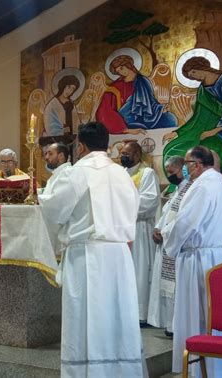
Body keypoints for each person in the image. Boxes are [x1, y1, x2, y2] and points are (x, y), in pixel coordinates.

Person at [39, 122, 146, 378]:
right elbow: (134, 208)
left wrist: (41, 196)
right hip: (119, 255)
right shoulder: (123, 174)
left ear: (81, 146)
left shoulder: (77, 172)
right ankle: (120, 370)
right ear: (108, 145)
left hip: (87, 255)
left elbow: (55, 210)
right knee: (117, 314)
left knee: (86, 318)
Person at [161, 146, 222, 376]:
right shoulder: (220, 183)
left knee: (199, 313)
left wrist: (168, 237)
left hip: (199, 258)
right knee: (217, 314)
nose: (185, 167)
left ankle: (201, 368)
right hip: (219, 255)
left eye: (187, 162)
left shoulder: (202, 186)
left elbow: (185, 223)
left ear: (198, 164)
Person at [163, 56, 222, 171]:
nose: (195, 77)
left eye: (194, 72)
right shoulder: (202, 91)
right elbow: (197, 118)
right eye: (191, 76)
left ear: (202, 67)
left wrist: (214, 131)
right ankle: (182, 183)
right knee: (173, 149)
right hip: (207, 129)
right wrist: (178, 132)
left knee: (206, 150)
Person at [147, 156, 192, 337]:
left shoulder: (190, 190)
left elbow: (182, 219)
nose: (170, 175)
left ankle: (175, 326)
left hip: (177, 247)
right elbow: (167, 214)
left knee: (176, 290)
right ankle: (170, 324)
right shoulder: (177, 190)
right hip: (166, 244)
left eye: (172, 172)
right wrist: (157, 228)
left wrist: (163, 233)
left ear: (183, 168)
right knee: (167, 288)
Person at [121, 141, 160, 325]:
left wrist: (121, 203)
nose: (123, 155)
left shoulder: (147, 173)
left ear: (137, 154)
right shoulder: (120, 174)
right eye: (122, 152)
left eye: (127, 152)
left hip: (139, 228)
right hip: (121, 229)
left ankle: (139, 313)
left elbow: (150, 200)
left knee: (140, 270)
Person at [96, 54, 177, 135]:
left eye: (121, 68)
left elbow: (151, 102)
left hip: (147, 117)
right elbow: (104, 110)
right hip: (126, 121)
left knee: (170, 119)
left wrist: (161, 109)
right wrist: (125, 129)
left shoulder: (143, 81)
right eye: (118, 71)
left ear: (129, 65)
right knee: (139, 127)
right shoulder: (114, 88)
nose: (121, 72)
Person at [42, 142, 72, 254]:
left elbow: (57, 200)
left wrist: (36, 198)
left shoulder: (67, 173)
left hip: (61, 230)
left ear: (61, 156)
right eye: (46, 154)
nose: (46, 157)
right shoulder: (57, 174)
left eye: (50, 154)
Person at [43, 74, 81, 141]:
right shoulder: (52, 105)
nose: (69, 91)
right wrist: (65, 130)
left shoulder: (71, 103)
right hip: (56, 141)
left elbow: (76, 122)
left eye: (72, 89)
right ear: (63, 86)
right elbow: (50, 127)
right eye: (68, 87)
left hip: (72, 140)